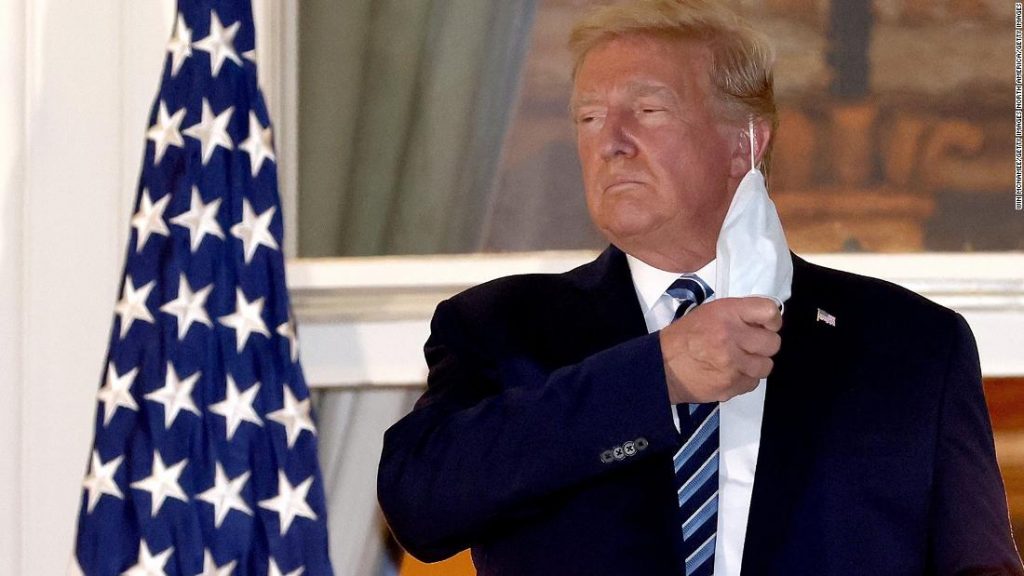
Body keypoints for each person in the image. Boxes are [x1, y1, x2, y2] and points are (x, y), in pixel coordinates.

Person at [377, 1, 1024, 574]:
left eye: (648, 110)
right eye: (589, 117)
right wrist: (654, 377)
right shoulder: (503, 324)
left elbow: (980, 564)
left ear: (746, 142)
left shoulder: (912, 344)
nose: (611, 143)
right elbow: (419, 503)